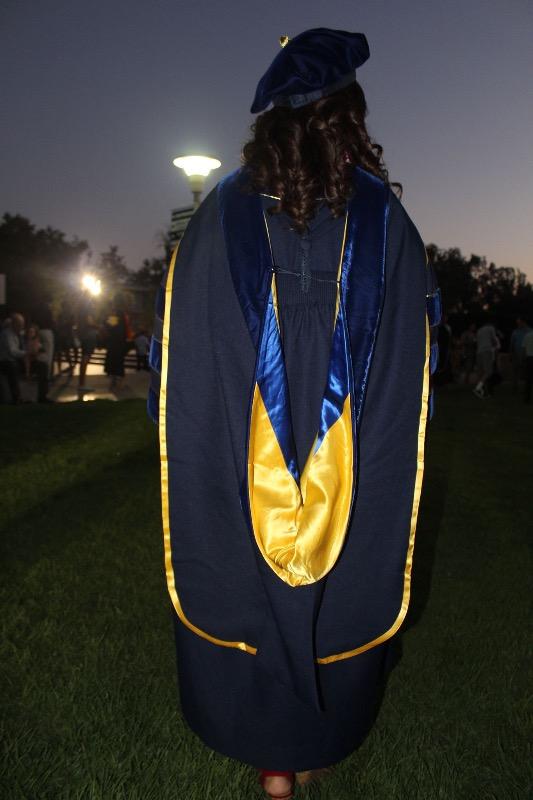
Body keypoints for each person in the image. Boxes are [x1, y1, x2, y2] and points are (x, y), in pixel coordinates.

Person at [149, 29, 439, 800]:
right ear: (348, 118)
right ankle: (305, 748)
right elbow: (412, 367)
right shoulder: (387, 222)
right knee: (339, 575)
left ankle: (268, 757)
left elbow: (184, 356)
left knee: (248, 574)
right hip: (350, 443)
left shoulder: (218, 215)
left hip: (240, 450)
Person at [0, 313, 51, 403]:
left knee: (42, 365)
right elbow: (13, 352)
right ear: (14, 324)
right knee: (12, 366)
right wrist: (27, 353)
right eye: (20, 324)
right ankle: (17, 398)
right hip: (7, 361)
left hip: (21, 360)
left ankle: (42, 396)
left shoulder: (19, 334)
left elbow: (31, 339)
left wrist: (35, 349)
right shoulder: (7, 334)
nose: (22, 326)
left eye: (22, 324)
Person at [473, 316, 500, 399]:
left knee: (481, 372)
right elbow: (493, 339)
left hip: (479, 352)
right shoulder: (490, 328)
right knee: (488, 372)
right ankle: (478, 388)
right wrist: (497, 346)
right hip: (487, 351)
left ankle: (481, 392)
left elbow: (477, 342)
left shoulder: (479, 330)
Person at [510, 317, 531, 393]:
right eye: (517, 323)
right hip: (516, 354)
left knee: (526, 372)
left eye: (519, 323)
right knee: (515, 371)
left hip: (527, 354)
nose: (518, 324)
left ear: (524, 322)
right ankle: (514, 387)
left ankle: (526, 388)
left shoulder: (530, 331)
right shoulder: (515, 332)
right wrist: (511, 354)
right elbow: (512, 344)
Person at [522, 324, 533, 404]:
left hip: (529, 358)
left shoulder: (527, 335)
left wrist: (524, 359)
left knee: (528, 379)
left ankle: (527, 398)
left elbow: (524, 348)